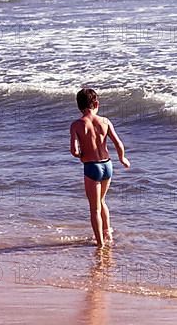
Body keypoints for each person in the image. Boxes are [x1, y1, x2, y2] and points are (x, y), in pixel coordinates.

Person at [70, 88, 130, 248]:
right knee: (103, 201)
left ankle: (100, 244)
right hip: (107, 165)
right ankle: (108, 233)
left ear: (79, 106)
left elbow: (74, 151)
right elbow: (118, 143)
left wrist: (80, 155)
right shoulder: (105, 121)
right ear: (96, 103)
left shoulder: (77, 125)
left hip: (92, 167)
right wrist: (122, 158)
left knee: (94, 208)